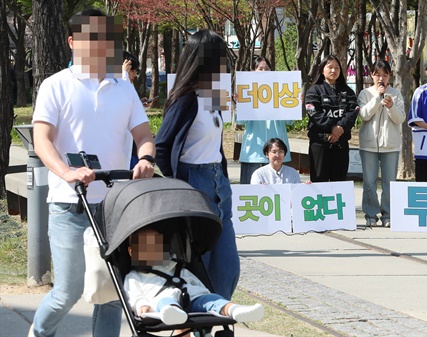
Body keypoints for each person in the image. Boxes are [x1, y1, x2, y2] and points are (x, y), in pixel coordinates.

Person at [30, 9, 156, 337]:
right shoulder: (55, 85)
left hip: (114, 207)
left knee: (111, 293)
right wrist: (66, 172)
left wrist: (145, 159)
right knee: (67, 292)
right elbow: (41, 140)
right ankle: (39, 333)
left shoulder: (124, 87)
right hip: (69, 205)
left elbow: (143, 135)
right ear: (73, 42)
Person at [154, 30, 239, 300]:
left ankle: (218, 317)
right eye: (220, 57)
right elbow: (162, 146)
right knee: (199, 266)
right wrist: (177, 185)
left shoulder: (214, 95)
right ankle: (203, 322)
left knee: (227, 268)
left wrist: (222, 176)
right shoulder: (185, 99)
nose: (224, 63)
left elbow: (215, 143)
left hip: (218, 185)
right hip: (194, 184)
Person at [124, 227, 264, 325]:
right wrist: (141, 305)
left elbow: (193, 280)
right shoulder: (134, 276)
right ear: (131, 252)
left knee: (213, 300)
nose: (151, 249)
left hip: (193, 297)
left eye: (156, 245)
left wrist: (204, 293)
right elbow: (133, 294)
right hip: (160, 303)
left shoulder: (175, 266)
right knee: (166, 300)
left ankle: (235, 310)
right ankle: (173, 312)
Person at [357, 60, 405, 227]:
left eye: (385, 75)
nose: (381, 78)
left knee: (389, 182)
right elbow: (364, 115)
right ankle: (370, 214)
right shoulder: (365, 93)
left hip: (390, 145)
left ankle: (388, 215)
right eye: (378, 74)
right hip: (369, 145)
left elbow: (401, 118)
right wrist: (378, 97)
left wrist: (391, 106)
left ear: (389, 76)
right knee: (369, 181)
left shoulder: (396, 94)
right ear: (372, 75)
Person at [235, 57, 294, 184]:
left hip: (277, 152)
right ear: (252, 71)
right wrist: (240, 104)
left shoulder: (281, 91)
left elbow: (290, 122)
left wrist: (295, 103)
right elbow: (240, 122)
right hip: (252, 153)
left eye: (267, 69)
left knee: (278, 194)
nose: (264, 71)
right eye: (260, 69)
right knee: (250, 193)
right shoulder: (246, 91)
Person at [305, 55, 359, 182]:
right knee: (319, 182)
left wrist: (340, 128)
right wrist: (332, 127)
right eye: (330, 67)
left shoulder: (348, 91)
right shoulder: (314, 90)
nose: (333, 71)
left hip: (341, 144)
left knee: (339, 182)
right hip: (319, 144)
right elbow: (314, 112)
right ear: (322, 70)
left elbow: (353, 110)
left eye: (337, 68)